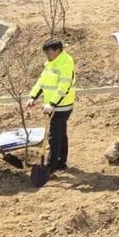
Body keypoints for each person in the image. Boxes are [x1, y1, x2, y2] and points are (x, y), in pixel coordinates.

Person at [26, 38, 76, 173]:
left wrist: (53, 103)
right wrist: (32, 97)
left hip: (62, 106)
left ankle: (50, 165)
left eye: (49, 53)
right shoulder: (50, 64)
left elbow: (63, 87)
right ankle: (60, 162)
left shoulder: (65, 64)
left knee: (54, 136)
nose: (47, 56)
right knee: (61, 134)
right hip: (52, 105)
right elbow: (42, 82)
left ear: (57, 51)